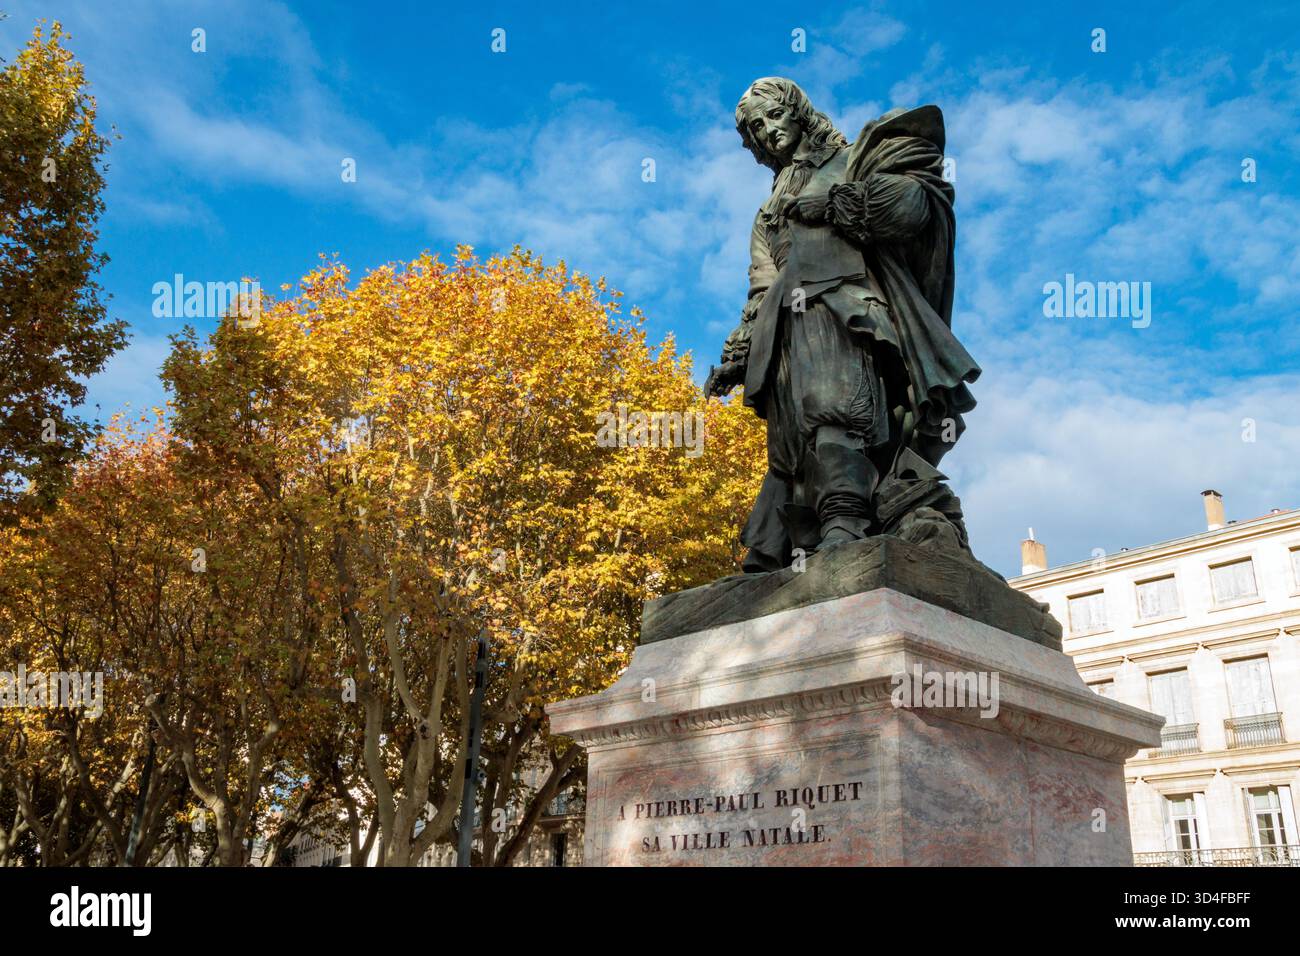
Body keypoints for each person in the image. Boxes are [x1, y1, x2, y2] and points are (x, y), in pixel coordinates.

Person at [706, 77, 981, 573]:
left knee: (835, 412)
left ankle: (845, 524)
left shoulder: (853, 159)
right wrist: (739, 355)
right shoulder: (767, 212)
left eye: (773, 116)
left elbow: (913, 206)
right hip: (785, 325)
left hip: (845, 306)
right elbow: (761, 285)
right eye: (755, 129)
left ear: (799, 111)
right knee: (794, 442)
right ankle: (789, 545)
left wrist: (833, 205)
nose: (768, 132)